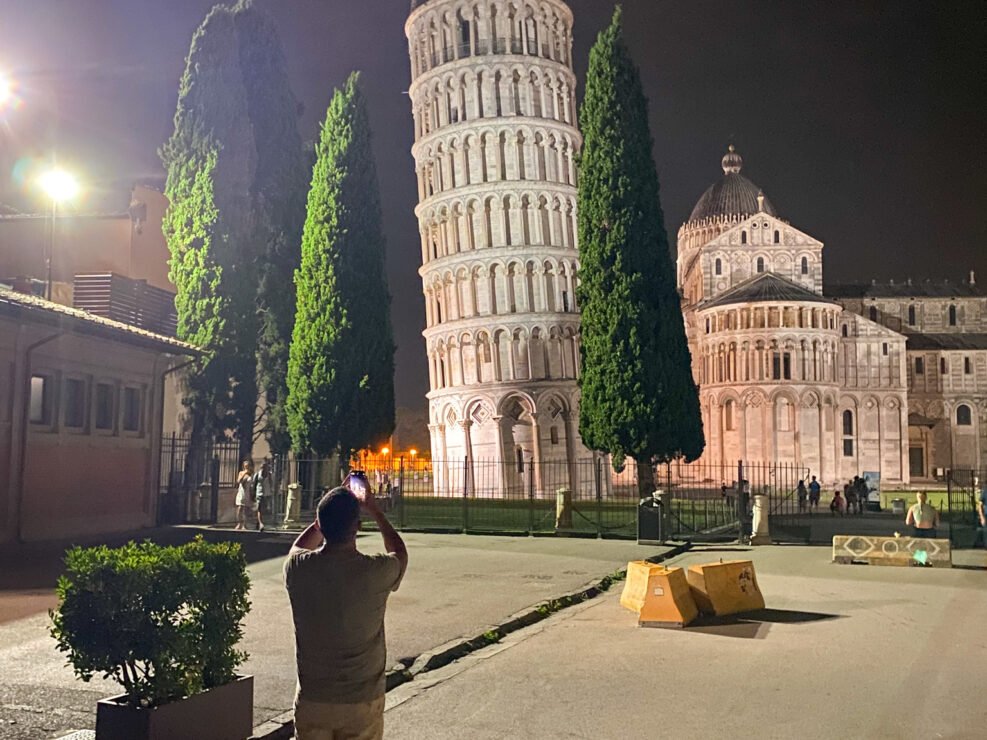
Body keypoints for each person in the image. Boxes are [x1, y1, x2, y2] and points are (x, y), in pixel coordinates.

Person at [284, 478, 408, 740]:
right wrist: (374, 509)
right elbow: (399, 553)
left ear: (320, 524)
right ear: (357, 526)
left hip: (313, 697)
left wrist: (323, 517)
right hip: (361, 699)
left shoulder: (298, 568)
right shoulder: (375, 571)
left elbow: (298, 547)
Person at [235, 459, 256, 531]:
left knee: (246, 509)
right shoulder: (241, 473)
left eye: (248, 466)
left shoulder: (252, 474)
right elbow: (239, 481)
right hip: (241, 492)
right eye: (245, 466)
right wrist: (244, 473)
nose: (247, 467)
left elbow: (253, 484)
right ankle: (239, 523)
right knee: (240, 508)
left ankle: (244, 524)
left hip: (248, 492)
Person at [254, 460, 273, 532]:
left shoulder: (269, 475)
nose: (263, 469)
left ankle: (258, 522)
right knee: (259, 509)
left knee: (264, 509)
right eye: (262, 467)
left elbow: (271, 483)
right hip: (259, 494)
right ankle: (261, 524)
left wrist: (271, 491)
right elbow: (254, 484)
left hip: (267, 494)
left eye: (265, 467)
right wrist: (253, 493)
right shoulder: (257, 475)